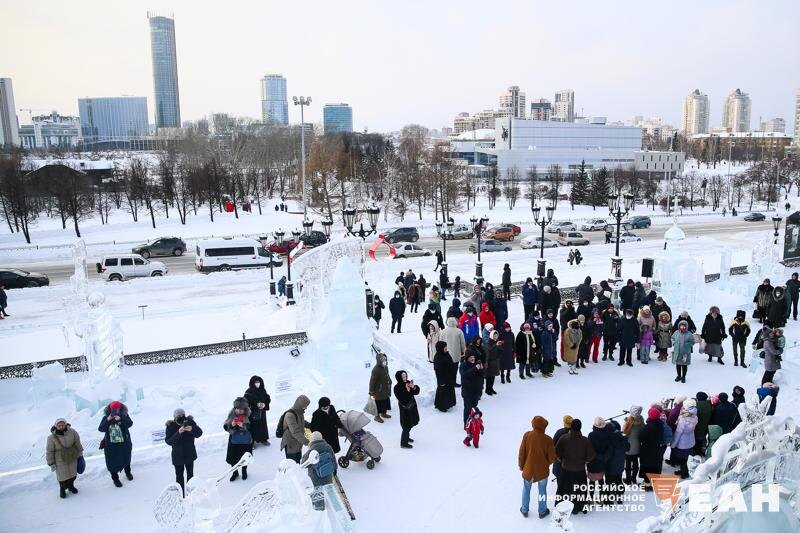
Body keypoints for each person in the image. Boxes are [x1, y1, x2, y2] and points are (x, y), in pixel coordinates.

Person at [518, 416, 556, 519]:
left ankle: (524, 510)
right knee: (542, 490)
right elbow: (552, 458)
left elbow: (522, 453)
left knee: (526, 489)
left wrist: (522, 466)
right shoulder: (548, 439)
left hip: (528, 469)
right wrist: (545, 463)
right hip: (542, 471)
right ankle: (542, 511)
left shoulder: (527, 435)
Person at [555, 419, 595, 515]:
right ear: (580, 428)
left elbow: (556, 452)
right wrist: (585, 461)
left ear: (571, 427)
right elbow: (591, 455)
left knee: (565, 489)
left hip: (566, 470)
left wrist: (561, 459)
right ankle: (578, 507)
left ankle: (563, 507)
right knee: (580, 490)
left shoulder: (564, 438)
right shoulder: (585, 440)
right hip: (580, 470)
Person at [165, 408, 203, 495]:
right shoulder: (170, 426)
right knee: (179, 476)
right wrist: (178, 432)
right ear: (174, 417)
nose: (181, 417)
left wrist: (192, 429)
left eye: (182, 415)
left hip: (189, 454)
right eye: (178, 416)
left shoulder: (189, 422)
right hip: (178, 456)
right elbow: (169, 441)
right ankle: (180, 493)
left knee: (190, 475)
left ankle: (190, 493)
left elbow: (199, 433)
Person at [98, 400, 133, 487]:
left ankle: (128, 472)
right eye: (113, 410)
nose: (115, 412)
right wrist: (108, 420)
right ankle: (115, 478)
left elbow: (130, 423)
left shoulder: (124, 415)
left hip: (124, 443)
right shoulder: (106, 417)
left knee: (126, 458)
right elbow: (101, 429)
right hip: (111, 445)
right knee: (112, 462)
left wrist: (121, 419)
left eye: (117, 410)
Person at [47, 418, 84, 498]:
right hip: (59, 459)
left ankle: (71, 486)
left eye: (62, 425)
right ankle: (62, 489)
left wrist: (80, 451)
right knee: (62, 476)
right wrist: (51, 462)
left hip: (72, 456)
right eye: (59, 425)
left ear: (65, 424)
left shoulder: (72, 432)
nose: (61, 426)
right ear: (56, 426)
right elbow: (49, 451)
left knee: (73, 474)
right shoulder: (51, 437)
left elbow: (77, 442)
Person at [224, 397, 253, 479]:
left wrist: (243, 426)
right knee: (233, 459)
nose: (239, 411)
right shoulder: (231, 415)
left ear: (245, 409)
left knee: (245, 458)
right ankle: (235, 472)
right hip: (234, 442)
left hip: (246, 442)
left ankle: (244, 471)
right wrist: (231, 425)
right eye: (237, 409)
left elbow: (253, 427)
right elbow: (225, 426)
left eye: (241, 409)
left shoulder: (248, 416)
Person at [639, 407, 665, 491]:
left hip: (647, 451)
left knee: (647, 468)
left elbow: (641, 438)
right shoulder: (661, 426)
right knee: (655, 467)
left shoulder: (647, 427)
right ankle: (653, 484)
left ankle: (647, 485)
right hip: (657, 450)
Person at [586, 418, 612, 503]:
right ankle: (601, 498)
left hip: (593, 462)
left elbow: (589, 449)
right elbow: (609, 449)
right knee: (601, 480)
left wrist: (595, 456)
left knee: (592, 481)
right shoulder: (608, 435)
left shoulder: (591, 435)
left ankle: (591, 498)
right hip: (603, 462)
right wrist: (604, 457)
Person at [393, 370, 420, 449]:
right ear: (399, 378)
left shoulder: (408, 383)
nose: (405, 378)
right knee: (406, 426)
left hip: (412, 407)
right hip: (405, 409)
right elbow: (403, 399)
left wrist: (413, 387)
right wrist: (408, 391)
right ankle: (403, 443)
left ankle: (407, 437)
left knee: (410, 423)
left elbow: (416, 392)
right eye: (403, 377)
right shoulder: (396, 388)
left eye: (405, 376)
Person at [605, 420, 630, 503]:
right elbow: (627, 448)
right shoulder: (623, 437)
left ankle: (610, 498)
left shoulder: (609, 439)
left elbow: (608, 455)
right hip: (620, 464)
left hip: (610, 466)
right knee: (618, 480)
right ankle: (619, 497)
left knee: (609, 482)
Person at [280, 395, 311, 463]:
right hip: (290, 443)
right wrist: (307, 442)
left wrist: (311, 425)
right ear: (299, 404)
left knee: (298, 463)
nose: (306, 408)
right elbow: (295, 432)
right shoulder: (290, 415)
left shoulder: (299, 412)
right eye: (304, 405)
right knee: (292, 465)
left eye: (307, 406)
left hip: (297, 442)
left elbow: (301, 422)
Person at [671, 403, 698, 479]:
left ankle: (684, 473)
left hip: (682, 443)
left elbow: (678, 433)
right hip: (690, 441)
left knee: (682, 460)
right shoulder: (695, 417)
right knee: (686, 459)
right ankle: (685, 471)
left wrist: (673, 444)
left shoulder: (683, 420)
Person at [460, 344, 485, 425]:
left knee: (474, 408)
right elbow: (465, 375)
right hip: (467, 392)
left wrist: (481, 369)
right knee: (468, 409)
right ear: (467, 358)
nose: (473, 358)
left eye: (473, 357)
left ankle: (473, 423)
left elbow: (481, 376)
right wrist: (475, 368)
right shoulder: (463, 365)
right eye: (471, 357)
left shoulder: (476, 364)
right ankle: (466, 424)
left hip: (476, 392)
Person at [244, 375, 271, 446]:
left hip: (262, 413)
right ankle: (251, 443)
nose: (257, 383)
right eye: (256, 382)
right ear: (252, 383)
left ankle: (263, 439)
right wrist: (255, 405)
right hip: (252, 413)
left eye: (259, 382)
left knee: (262, 426)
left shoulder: (263, 390)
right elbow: (245, 403)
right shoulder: (248, 392)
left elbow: (267, 399)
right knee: (253, 427)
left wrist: (264, 404)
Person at [622, 406, 644, 485]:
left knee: (628, 465)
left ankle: (628, 480)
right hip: (637, 447)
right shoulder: (642, 421)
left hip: (629, 447)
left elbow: (623, 432)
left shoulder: (628, 422)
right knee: (635, 463)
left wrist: (625, 422)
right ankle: (634, 478)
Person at [369, 351, 393, 422]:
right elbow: (372, 382)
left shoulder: (386, 367)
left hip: (385, 389)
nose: (384, 361)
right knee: (378, 404)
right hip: (378, 391)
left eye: (385, 359)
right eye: (383, 360)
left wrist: (390, 381)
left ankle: (383, 413)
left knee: (385, 402)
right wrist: (371, 391)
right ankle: (377, 416)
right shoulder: (376, 370)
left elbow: (387, 375)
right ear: (379, 360)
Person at [433, 341, 457, 412]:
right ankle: (441, 406)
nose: (446, 348)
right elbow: (438, 371)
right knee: (443, 392)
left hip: (449, 377)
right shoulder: (437, 357)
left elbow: (450, 362)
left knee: (449, 391)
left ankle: (449, 404)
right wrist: (441, 382)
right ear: (440, 348)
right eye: (445, 347)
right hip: (443, 379)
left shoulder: (446, 353)